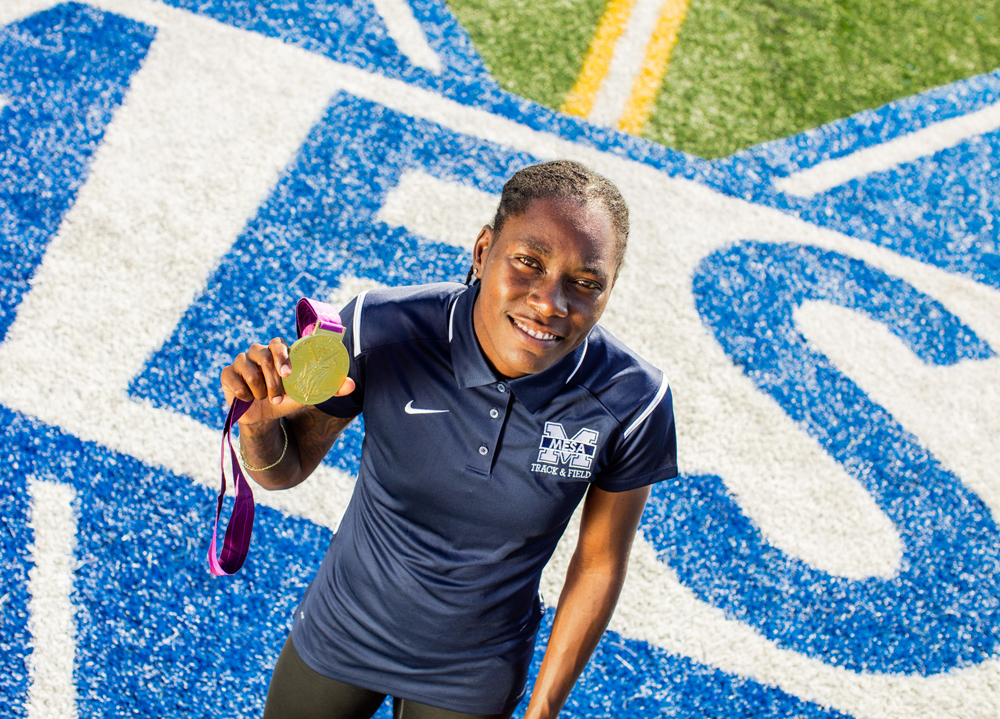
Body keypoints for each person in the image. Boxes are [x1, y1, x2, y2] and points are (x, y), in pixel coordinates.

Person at [220, 160, 677, 719]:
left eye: (586, 283)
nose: (551, 302)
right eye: (529, 262)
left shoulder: (634, 400)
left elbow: (599, 564)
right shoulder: (380, 327)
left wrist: (543, 711)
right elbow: (283, 471)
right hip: (342, 630)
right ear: (483, 252)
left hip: (475, 672)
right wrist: (258, 421)